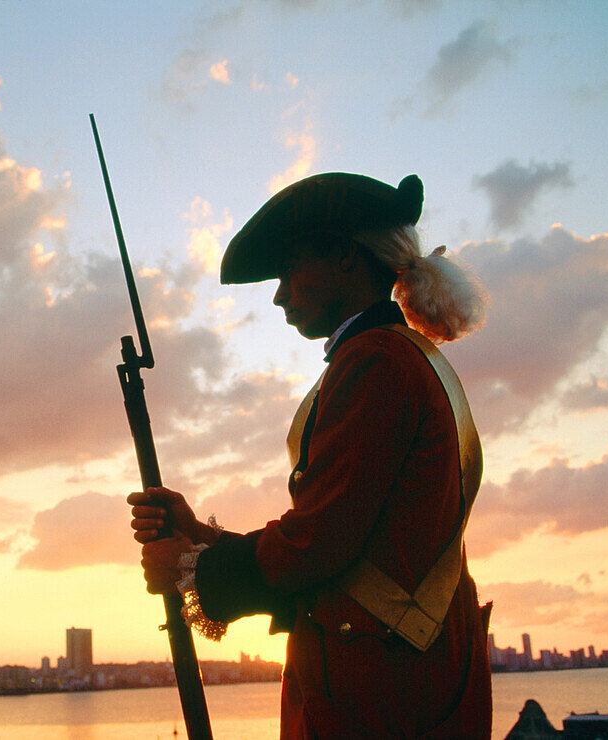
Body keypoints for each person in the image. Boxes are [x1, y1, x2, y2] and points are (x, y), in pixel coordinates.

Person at [129, 172, 492, 738]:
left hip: (374, 697)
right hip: (406, 682)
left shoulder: (374, 362)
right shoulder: (398, 355)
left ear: (346, 257)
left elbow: (319, 542)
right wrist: (201, 536)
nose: (278, 294)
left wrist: (190, 568)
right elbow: (350, 548)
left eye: (289, 270)